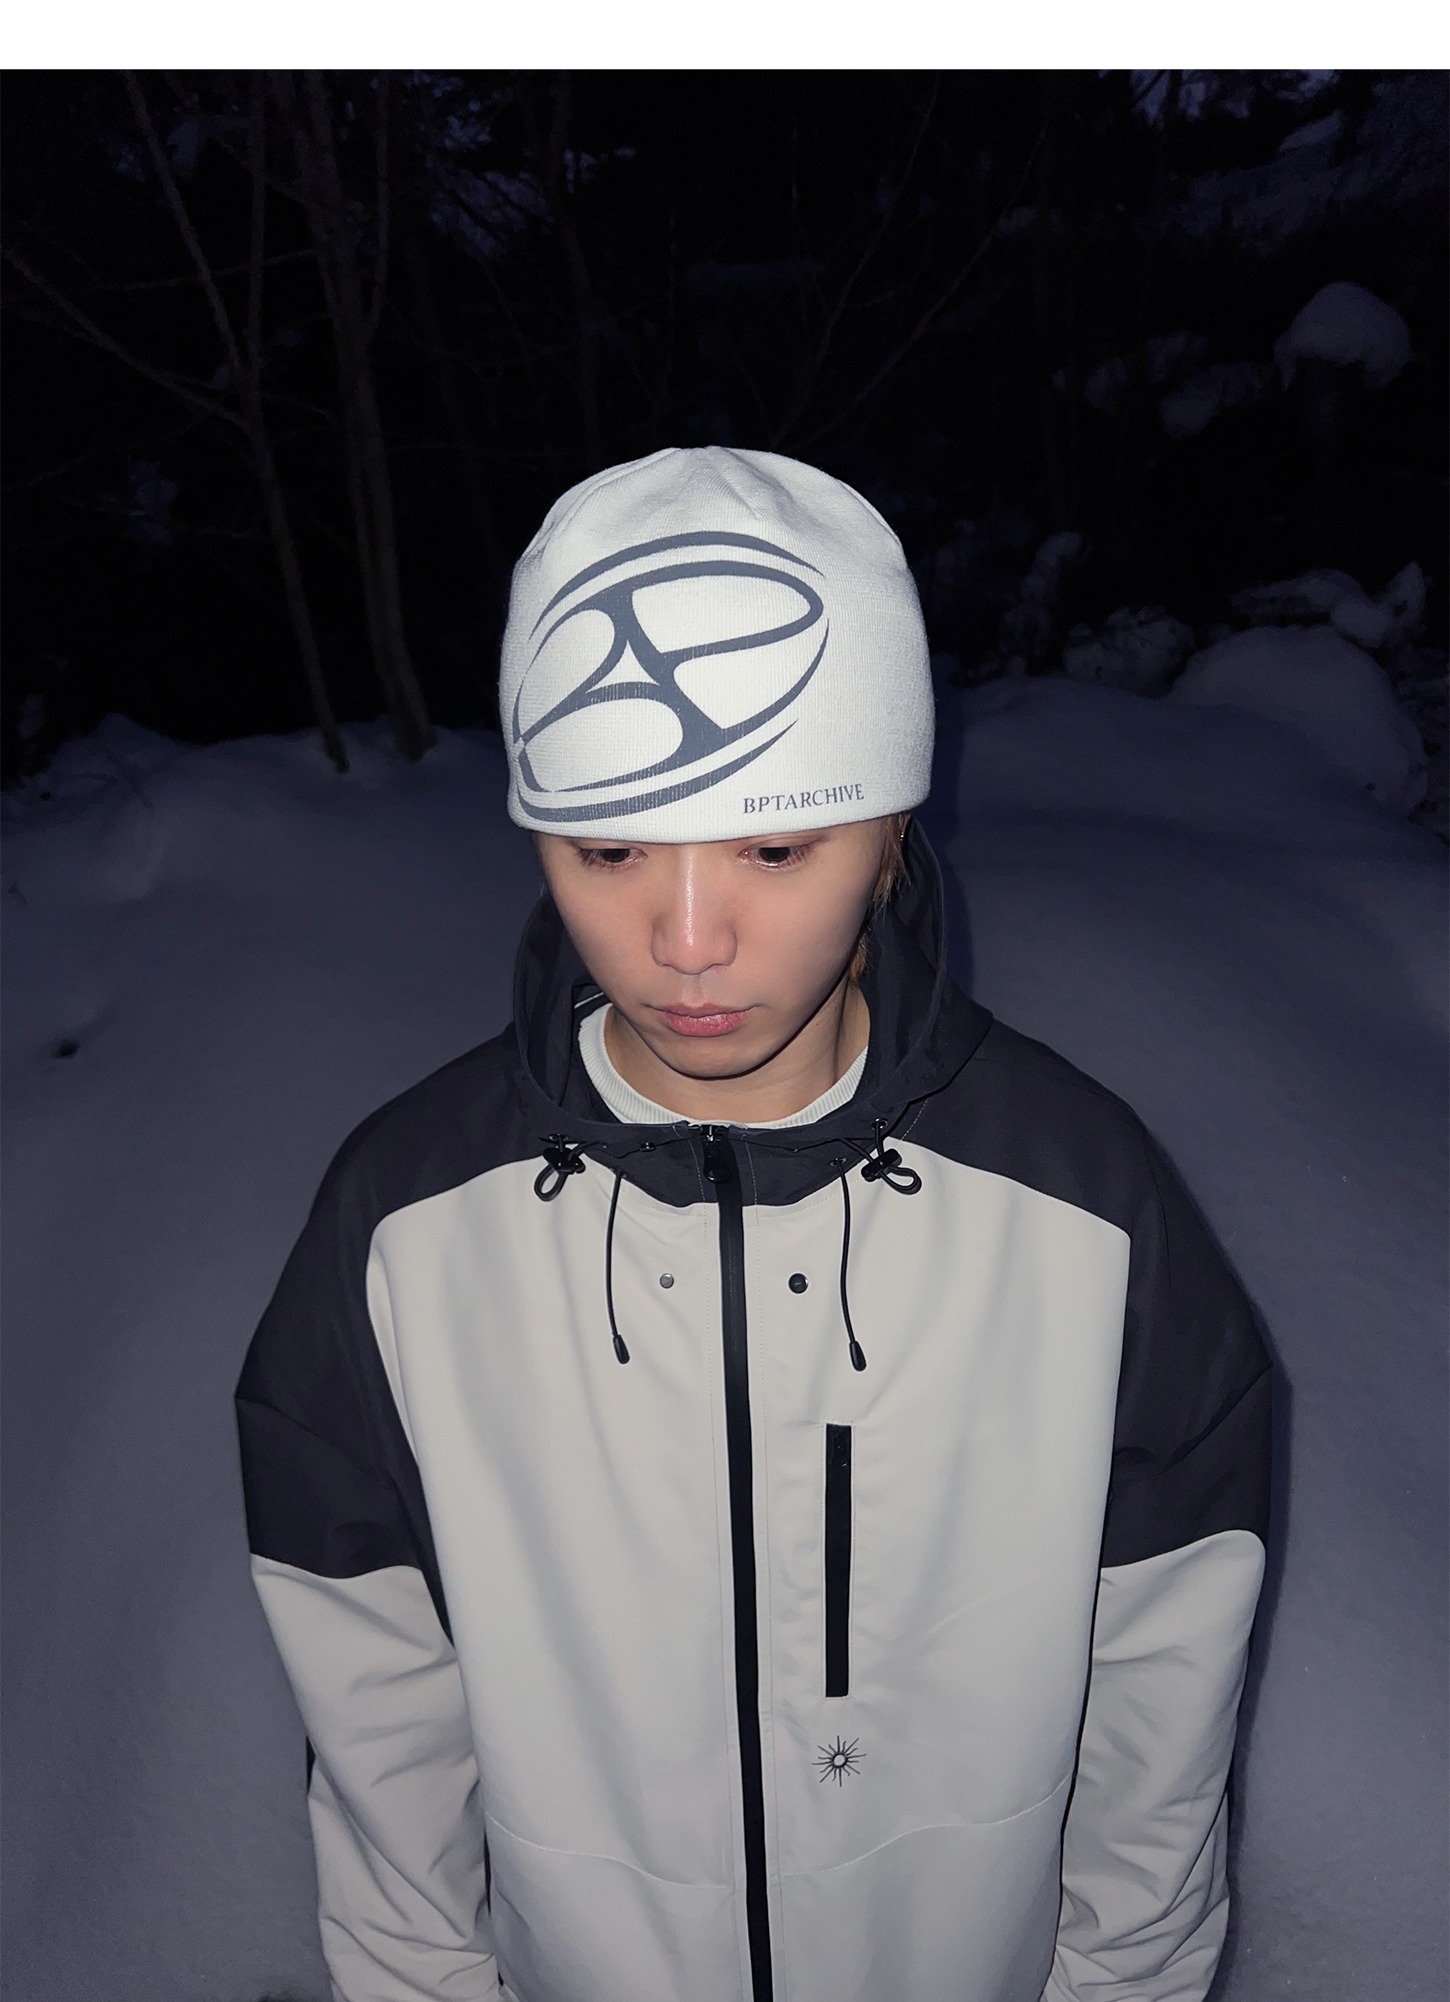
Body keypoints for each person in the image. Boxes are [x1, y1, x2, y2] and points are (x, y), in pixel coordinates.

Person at [234, 446, 1272, 2002]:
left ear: (890, 828)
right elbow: (374, 1694)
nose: (686, 940)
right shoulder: (402, 1223)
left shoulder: (1082, 1205)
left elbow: (1163, 1687)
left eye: (774, 846)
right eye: (608, 849)